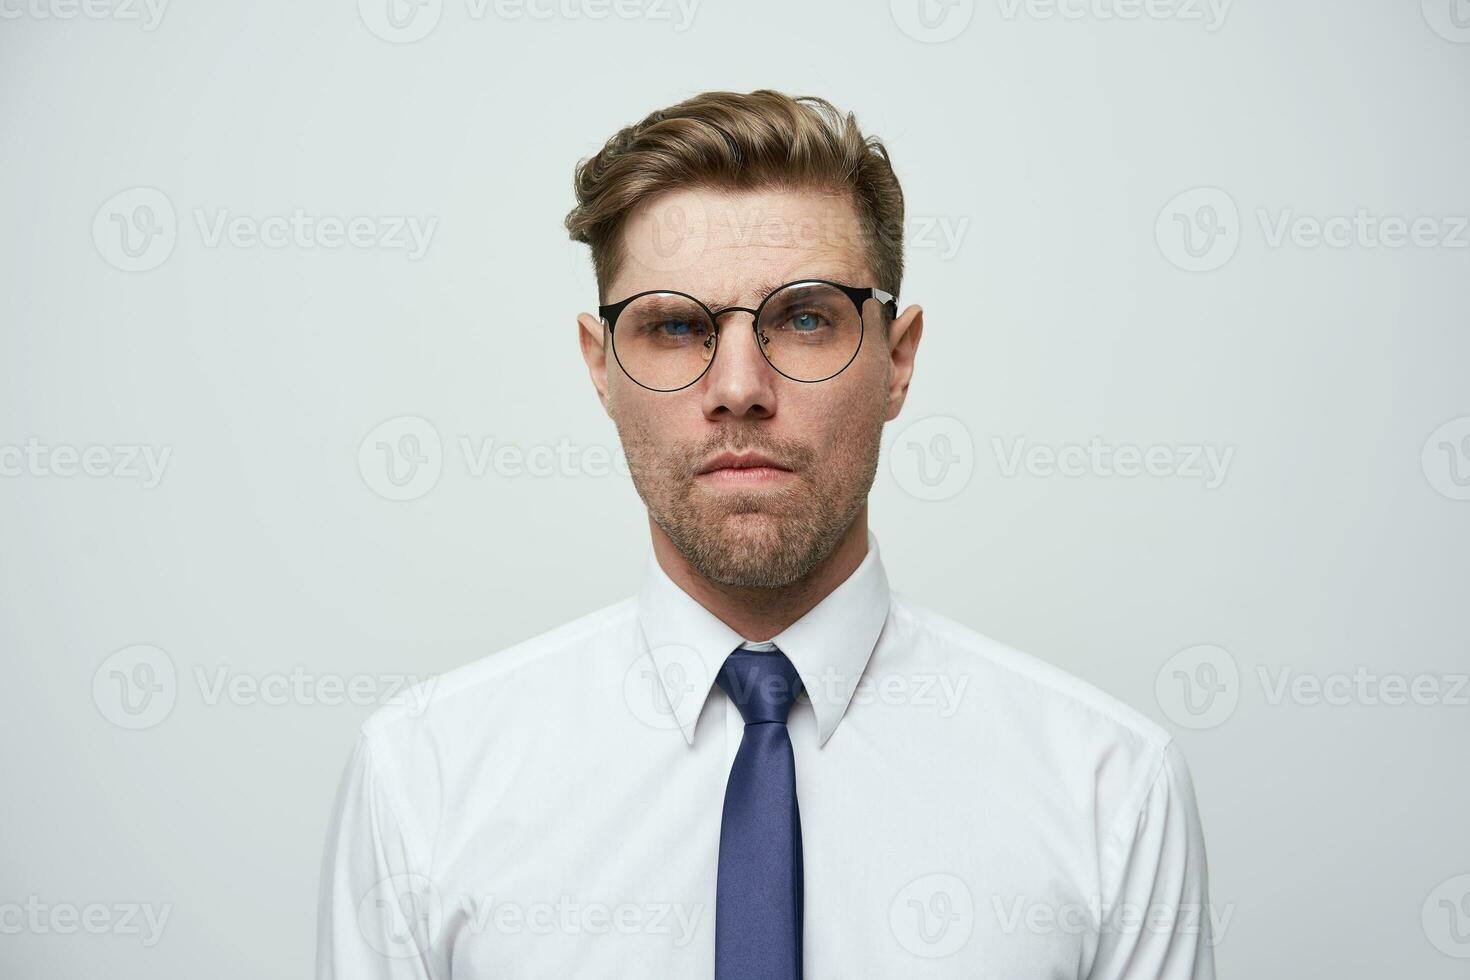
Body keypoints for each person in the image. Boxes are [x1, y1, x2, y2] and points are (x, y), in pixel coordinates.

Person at [316, 88, 1217, 979]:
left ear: (897, 362)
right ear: (601, 369)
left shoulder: (1110, 794)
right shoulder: (424, 779)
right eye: (674, 325)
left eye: (806, 318)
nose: (739, 386)